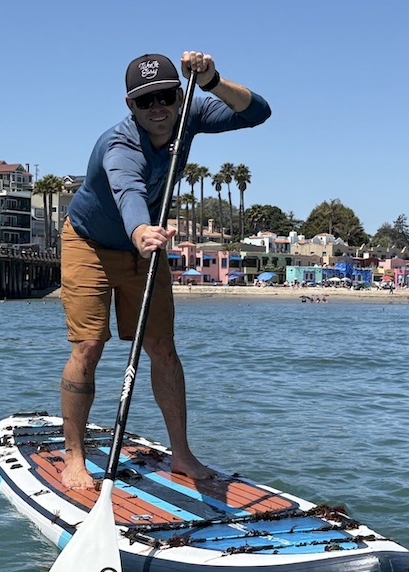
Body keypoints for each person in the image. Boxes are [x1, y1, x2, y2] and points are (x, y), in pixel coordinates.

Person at [57, 51, 271, 491]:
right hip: (91, 243)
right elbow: (128, 191)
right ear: (130, 105)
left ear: (178, 95)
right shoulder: (119, 146)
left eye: (165, 97)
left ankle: (182, 454)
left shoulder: (189, 111)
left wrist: (212, 81)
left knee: (162, 347)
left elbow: (257, 113)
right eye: (145, 101)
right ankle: (74, 457)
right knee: (89, 346)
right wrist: (140, 231)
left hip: (145, 244)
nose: (157, 108)